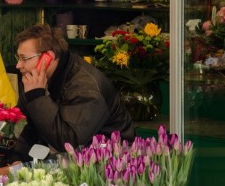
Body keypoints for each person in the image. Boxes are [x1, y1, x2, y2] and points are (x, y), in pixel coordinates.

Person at [12, 24, 134, 159]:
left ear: (48, 58)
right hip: (69, 159)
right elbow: (27, 128)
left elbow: (68, 143)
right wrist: (16, 159)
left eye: (24, 58)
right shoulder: (33, 80)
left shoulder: (86, 88)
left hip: (110, 162)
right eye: (18, 58)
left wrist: (37, 97)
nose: (18, 65)